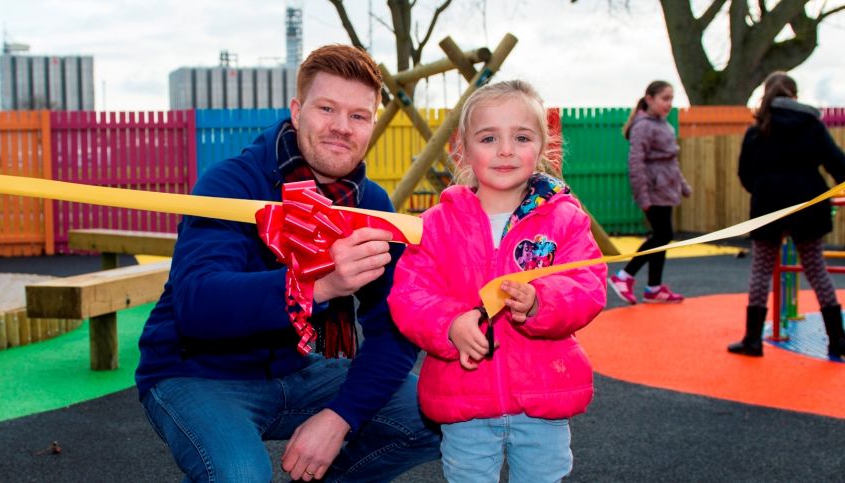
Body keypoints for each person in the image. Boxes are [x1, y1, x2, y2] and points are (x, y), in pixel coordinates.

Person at [134, 45, 440, 482]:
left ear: (372, 125)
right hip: (197, 371)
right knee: (240, 474)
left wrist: (340, 417)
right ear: (297, 111)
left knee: (432, 410)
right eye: (327, 108)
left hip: (300, 368)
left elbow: (393, 327)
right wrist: (317, 287)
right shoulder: (232, 184)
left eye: (358, 115)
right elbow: (196, 304)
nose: (341, 127)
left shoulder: (370, 204)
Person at [388, 80, 607, 482]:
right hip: (463, 398)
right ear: (464, 148)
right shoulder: (434, 225)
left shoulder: (564, 220)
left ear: (541, 147)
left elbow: (587, 283)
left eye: (521, 137)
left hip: (544, 396)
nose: (505, 149)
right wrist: (450, 324)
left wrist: (541, 303)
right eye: (489, 138)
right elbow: (409, 294)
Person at [727, 71, 845, 359]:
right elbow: (837, 163)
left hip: (768, 205)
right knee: (816, 269)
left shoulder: (758, 129)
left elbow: (745, 173)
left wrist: (764, 188)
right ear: (794, 96)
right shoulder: (811, 125)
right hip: (807, 203)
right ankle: (837, 340)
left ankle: (753, 340)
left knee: (761, 270)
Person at [609, 80, 692, 305]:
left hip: (666, 189)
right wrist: (643, 196)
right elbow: (635, 163)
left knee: (662, 237)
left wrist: (682, 186)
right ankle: (623, 276)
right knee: (662, 236)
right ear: (649, 99)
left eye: (671, 99)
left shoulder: (664, 125)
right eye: (665, 98)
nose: (669, 104)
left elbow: (671, 163)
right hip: (653, 190)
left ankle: (654, 287)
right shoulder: (643, 126)